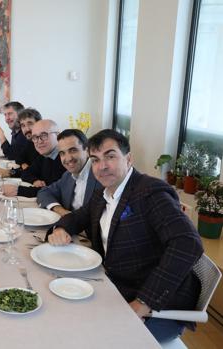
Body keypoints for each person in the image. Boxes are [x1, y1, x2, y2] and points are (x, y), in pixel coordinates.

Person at [47, 129, 203, 343]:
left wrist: (144, 302)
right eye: (95, 160)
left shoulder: (151, 192)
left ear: (128, 158)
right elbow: (79, 216)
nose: (102, 167)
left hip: (157, 308)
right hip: (115, 288)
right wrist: (61, 229)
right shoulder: (105, 191)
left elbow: (187, 244)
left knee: (83, 338)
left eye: (110, 156)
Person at [37, 129, 101, 216]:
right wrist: (61, 211)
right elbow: (44, 192)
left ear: (87, 151)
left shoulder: (101, 175)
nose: (68, 158)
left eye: (73, 150)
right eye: (62, 153)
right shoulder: (67, 176)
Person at [2, 119, 66, 198]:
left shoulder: (65, 159)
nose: (39, 141)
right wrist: (35, 180)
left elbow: (55, 191)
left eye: (44, 135)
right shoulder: (45, 155)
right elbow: (27, 172)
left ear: (58, 135)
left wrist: (19, 190)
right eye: (35, 137)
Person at [0, 108, 41, 178]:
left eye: (30, 124)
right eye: (23, 125)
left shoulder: (43, 144)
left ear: (39, 124)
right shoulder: (30, 142)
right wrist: (23, 164)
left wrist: (10, 172)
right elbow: (19, 157)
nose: (27, 129)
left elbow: (36, 172)